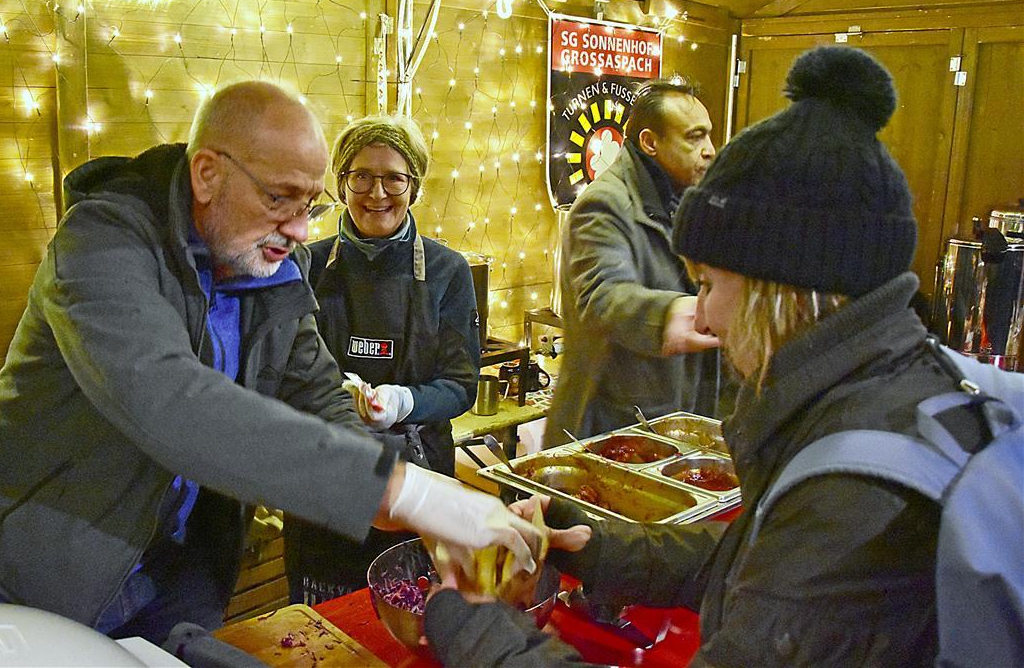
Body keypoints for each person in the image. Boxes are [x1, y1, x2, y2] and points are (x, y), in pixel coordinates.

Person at [423, 47, 1024, 666]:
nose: (702, 314)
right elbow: (754, 552)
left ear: (778, 290)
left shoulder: (859, 494)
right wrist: (592, 544)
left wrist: (472, 625)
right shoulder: (902, 383)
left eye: (707, 282)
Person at [0, 81, 539, 645]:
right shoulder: (104, 241)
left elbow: (323, 398)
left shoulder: (271, 266)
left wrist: (428, 516)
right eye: (279, 198)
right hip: (51, 562)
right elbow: (170, 402)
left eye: (310, 204)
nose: (301, 229)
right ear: (207, 173)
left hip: (182, 568)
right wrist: (419, 498)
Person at [283, 114, 481, 604]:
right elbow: (281, 372)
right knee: (322, 629)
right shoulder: (303, 264)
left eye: (394, 177)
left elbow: (460, 385)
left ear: (413, 186)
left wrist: (401, 402)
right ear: (341, 183)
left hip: (417, 478)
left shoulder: (446, 271)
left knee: (410, 615)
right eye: (361, 177)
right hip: (323, 474)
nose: (377, 193)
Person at [545, 79, 725, 445]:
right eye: (694, 137)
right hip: (612, 427)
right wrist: (672, 314)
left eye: (709, 136)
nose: (710, 151)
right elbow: (602, 297)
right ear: (649, 142)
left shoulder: (688, 200)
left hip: (671, 420)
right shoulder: (604, 205)